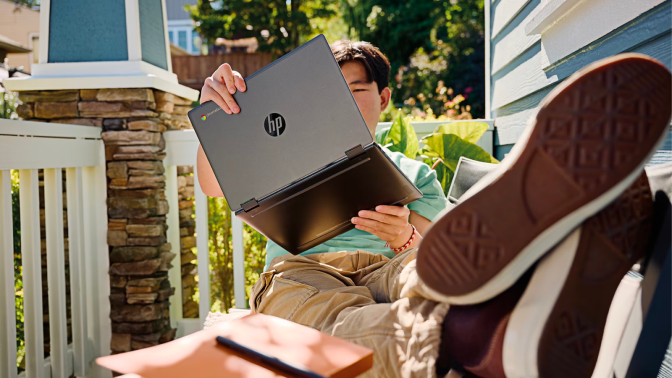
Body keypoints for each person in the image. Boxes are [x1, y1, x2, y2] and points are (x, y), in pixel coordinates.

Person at [197, 41, 672, 378]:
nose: (339, 104)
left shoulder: (412, 172)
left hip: (393, 261)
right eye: (326, 94)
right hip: (302, 270)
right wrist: (217, 117)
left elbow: (451, 247)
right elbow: (211, 184)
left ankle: (490, 330)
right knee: (333, 317)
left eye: (354, 90)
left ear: (383, 99)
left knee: (425, 276)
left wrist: (404, 233)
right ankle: (494, 330)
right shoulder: (277, 156)